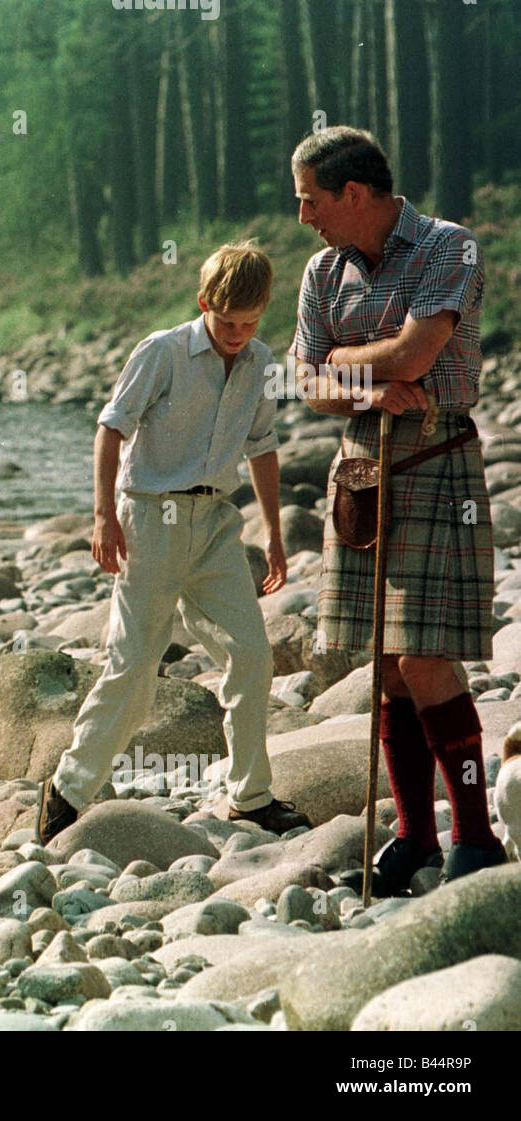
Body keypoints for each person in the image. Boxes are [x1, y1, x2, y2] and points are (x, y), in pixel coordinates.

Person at [289, 125, 506, 893]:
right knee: (384, 662)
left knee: (425, 655)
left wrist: (344, 359)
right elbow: (304, 383)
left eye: (310, 200)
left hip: (436, 454)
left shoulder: (451, 246)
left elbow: (418, 355)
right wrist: (367, 382)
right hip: (361, 467)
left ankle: (476, 841)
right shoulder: (322, 271)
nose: (304, 216)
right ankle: (415, 836)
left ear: (354, 193)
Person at [39, 242, 311, 845]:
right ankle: (67, 790)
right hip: (149, 519)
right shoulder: (161, 352)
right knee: (134, 664)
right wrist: (103, 514)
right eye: (228, 322)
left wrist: (275, 535)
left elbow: (262, 446)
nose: (239, 334)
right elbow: (111, 427)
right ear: (204, 303)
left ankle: (251, 798)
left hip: (215, 524)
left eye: (251, 322)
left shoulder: (261, 360)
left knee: (252, 654)